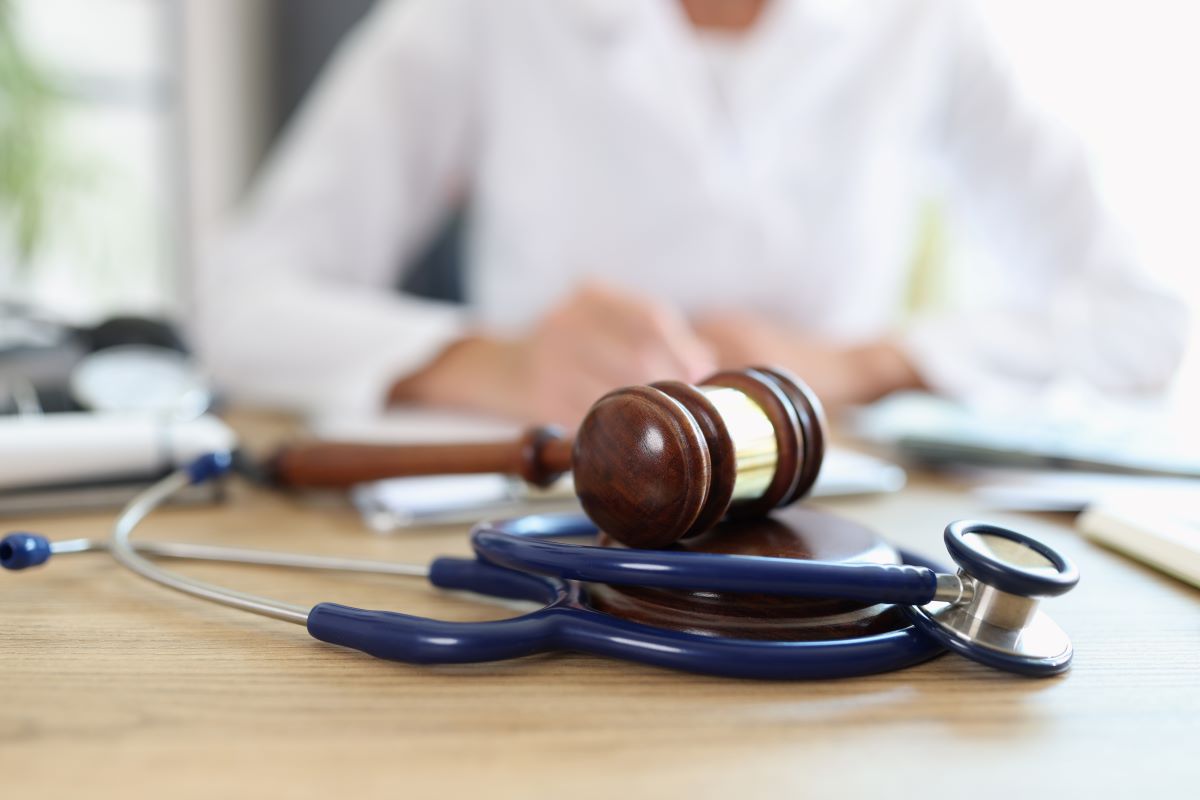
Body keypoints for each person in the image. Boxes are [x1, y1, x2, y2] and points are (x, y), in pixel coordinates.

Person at [196, 0, 1187, 425]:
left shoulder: (925, 22)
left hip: (839, 543)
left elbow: (1145, 323)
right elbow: (243, 301)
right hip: (556, 523)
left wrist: (864, 362)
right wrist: (496, 361)